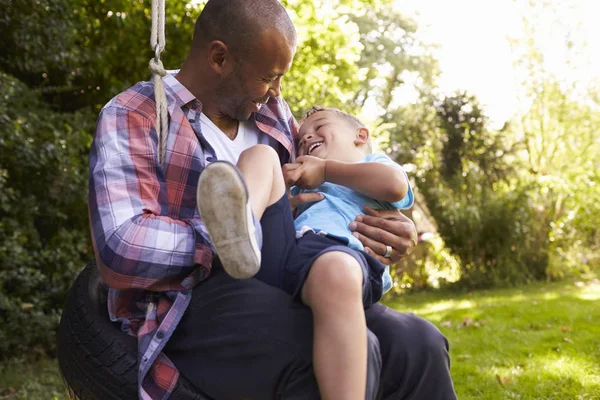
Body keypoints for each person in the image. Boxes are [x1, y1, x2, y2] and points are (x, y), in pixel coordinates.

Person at [88, 0, 457, 399]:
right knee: (331, 355)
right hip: (196, 297)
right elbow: (120, 247)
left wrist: (388, 226)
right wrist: (225, 238)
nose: (278, 92)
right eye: (269, 77)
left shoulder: (271, 113)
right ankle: (239, 226)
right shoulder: (138, 114)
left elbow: (330, 182)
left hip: (287, 272)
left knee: (419, 344)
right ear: (219, 58)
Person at [196, 105, 415, 400]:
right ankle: (241, 225)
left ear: (360, 136)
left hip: (340, 258)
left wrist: (325, 169)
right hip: (288, 257)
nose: (307, 137)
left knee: (334, 270)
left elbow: (395, 186)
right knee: (262, 155)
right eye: (301, 139)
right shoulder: (305, 180)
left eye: (320, 126)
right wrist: (283, 188)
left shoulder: (373, 165)